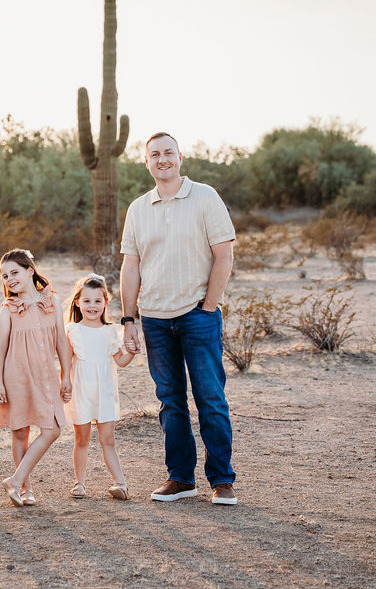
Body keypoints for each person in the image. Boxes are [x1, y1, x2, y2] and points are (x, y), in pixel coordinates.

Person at [119, 132, 239, 505]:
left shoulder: (205, 196)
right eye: (154, 154)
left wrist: (208, 306)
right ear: (147, 162)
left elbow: (224, 255)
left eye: (168, 152)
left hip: (197, 316)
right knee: (170, 400)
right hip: (155, 319)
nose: (162, 159)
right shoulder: (138, 208)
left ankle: (222, 480)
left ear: (180, 157)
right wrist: (128, 318)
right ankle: (181, 479)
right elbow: (131, 264)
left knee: (210, 398)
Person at [0, 248, 73, 507]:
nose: (10, 279)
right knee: (20, 432)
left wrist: (66, 375)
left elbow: (62, 341)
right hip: (16, 376)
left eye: (14, 272)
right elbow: (0, 349)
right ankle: (23, 489)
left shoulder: (51, 302)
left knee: (52, 429)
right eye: (5, 276)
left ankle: (15, 479)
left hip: (46, 375)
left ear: (30, 271)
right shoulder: (9, 309)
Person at [65, 273, 135, 500]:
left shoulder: (111, 331)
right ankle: (79, 483)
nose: (92, 306)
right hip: (82, 392)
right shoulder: (72, 330)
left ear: (106, 302)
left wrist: (132, 353)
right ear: (77, 302)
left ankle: (120, 483)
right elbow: (66, 363)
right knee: (82, 440)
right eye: (87, 301)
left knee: (108, 440)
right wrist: (64, 382)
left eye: (97, 301)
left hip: (104, 392)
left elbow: (121, 361)